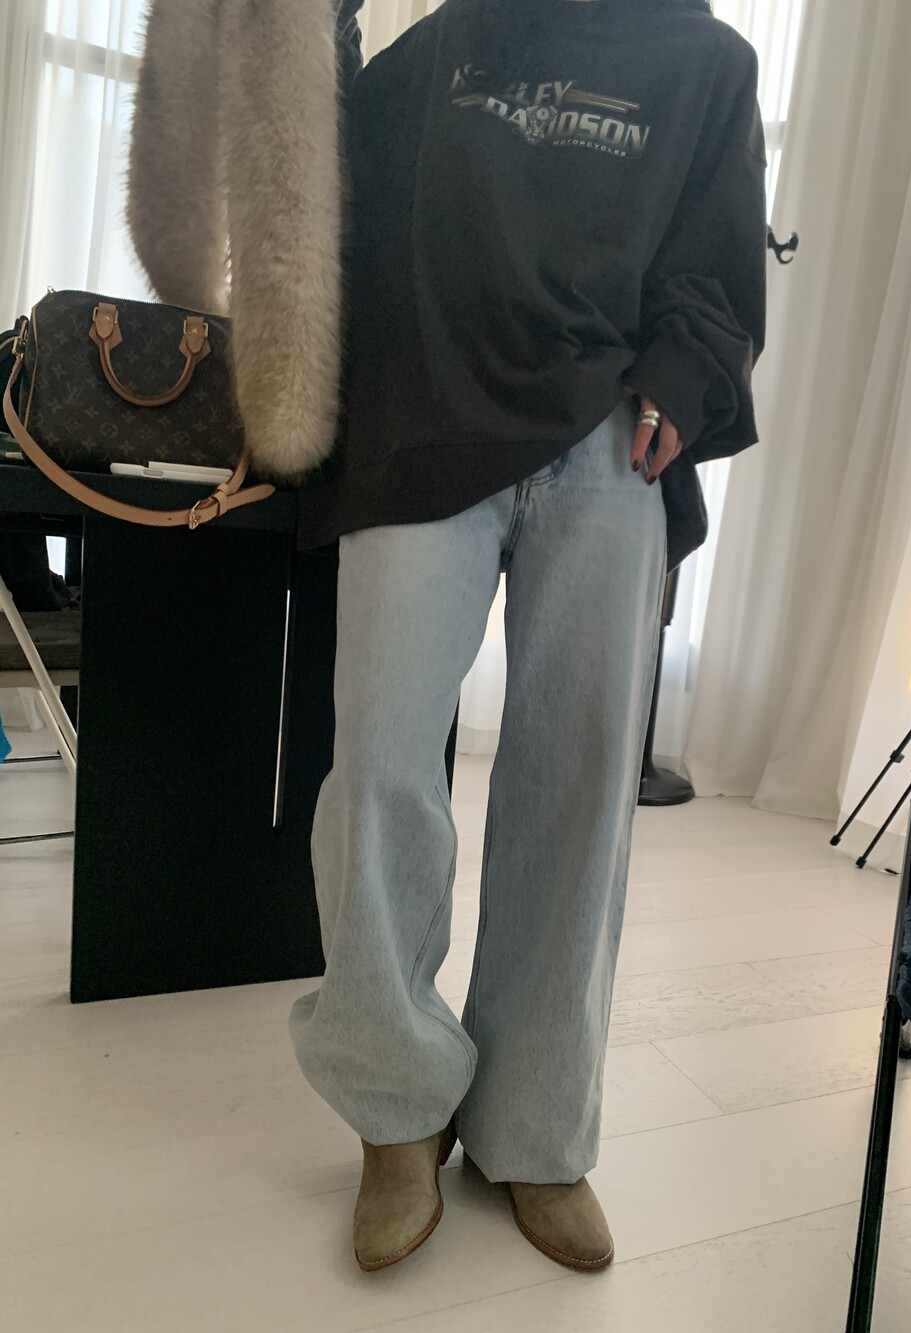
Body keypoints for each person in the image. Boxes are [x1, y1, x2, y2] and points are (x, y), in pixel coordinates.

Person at [291, 0, 767, 1274]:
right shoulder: (449, 42)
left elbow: (719, 262)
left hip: (610, 437)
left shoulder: (708, 62)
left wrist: (681, 372)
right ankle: (397, 1108)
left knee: (577, 787)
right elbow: (337, 192)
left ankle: (533, 1128)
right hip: (426, 417)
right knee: (379, 760)